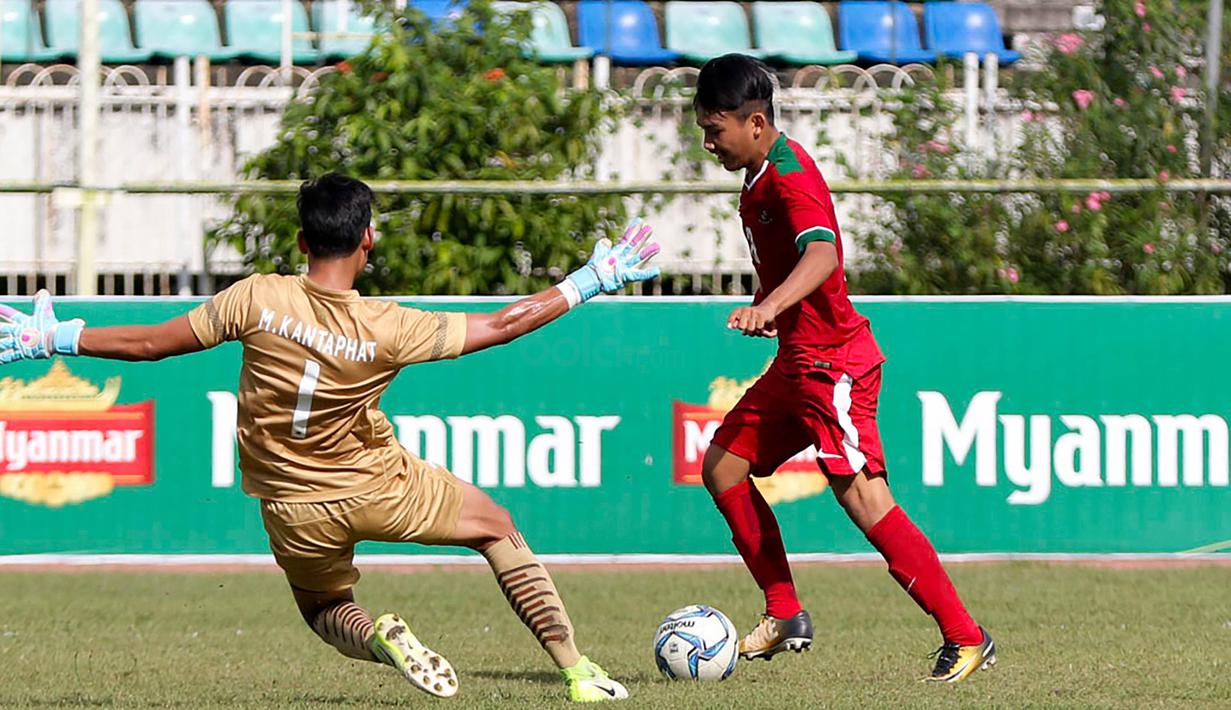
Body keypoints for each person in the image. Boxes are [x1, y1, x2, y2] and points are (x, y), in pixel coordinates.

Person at [0, 174, 661, 702]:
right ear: (367, 237)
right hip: (381, 485)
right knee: (495, 529)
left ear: (300, 240)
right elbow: (502, 324)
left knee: (324, 609)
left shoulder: (255, 298)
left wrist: (54, 338)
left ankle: (379, 637)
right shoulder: (388, 325)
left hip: (291, 506)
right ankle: (577, 671)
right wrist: (586, 283)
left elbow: (149, 344)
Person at [692, 54, 996, 683]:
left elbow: (825, 254)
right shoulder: (757, 175)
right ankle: (784, 614)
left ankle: (966, 637)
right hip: (798, 363)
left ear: (754, 122)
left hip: (833, 366)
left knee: (862, 498)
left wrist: (771, 304)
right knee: (723, 465)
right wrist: (773, 306)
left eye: (714, 129)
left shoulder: (790, 176)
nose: (707, 142)